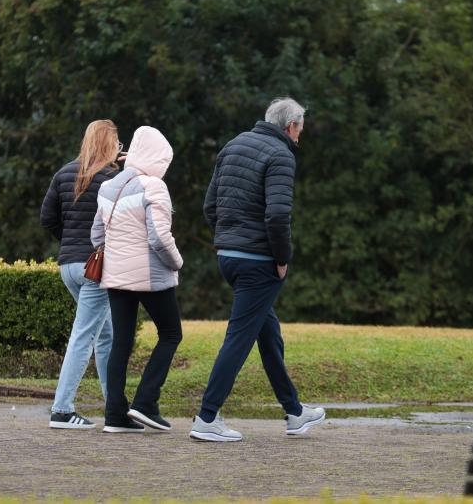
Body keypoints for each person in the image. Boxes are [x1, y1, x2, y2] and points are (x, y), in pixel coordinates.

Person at [190, 97, 326, 442]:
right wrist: (282, 259)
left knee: (268, 334)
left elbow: (210, 205)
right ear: (291, 127)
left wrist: (227, 239)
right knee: (239, 338)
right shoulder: (281, 155)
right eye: (300, 132)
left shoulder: (234, 144)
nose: (299, 139)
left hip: (230, 256)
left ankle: (294, 411)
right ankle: (207, 417)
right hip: (258, 261)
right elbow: (278, 215)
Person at [92, 126, 184, 433]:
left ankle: (114, 416)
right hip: (150, 275)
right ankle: (145, 403)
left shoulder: (109, 186)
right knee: (171, 334)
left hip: (115, 277)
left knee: (121, 342)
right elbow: (159, 238)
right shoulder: (153, 187)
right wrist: (177, 262)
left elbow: (96, 236)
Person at [40, 119, 123, 429]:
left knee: (105, 334)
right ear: (109, 143)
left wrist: (70, 242)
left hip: (69, 266)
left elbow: (47, 218)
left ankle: (114, 404)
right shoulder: (111, 178)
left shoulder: (64, 173)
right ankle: (61, 410)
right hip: (96, 267)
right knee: (84, 336)